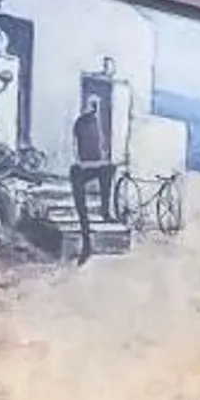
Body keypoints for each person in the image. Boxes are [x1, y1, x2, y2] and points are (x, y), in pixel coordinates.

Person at [69, 62, 124, 261]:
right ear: (89, 106)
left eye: (97, 107)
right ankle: (86, 245)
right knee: (81, 209)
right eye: (94, 106)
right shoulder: (81, 122)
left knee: (108, 170)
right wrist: (79, 161)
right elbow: (75, 144)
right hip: (80, 168)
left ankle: (104, 210)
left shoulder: (97, 124)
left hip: (94, 165)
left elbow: (99, 146)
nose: (96, 109)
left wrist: (102, 157)